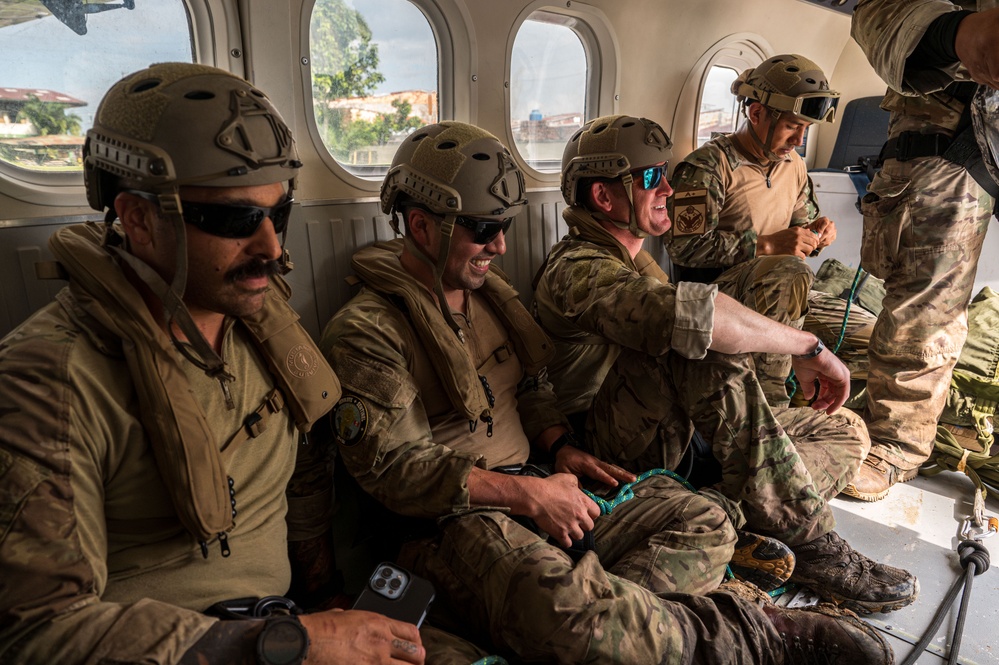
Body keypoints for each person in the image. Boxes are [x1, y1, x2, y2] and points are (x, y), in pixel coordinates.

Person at [320, 119, 896, 664]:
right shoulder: (366, 332)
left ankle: (618, 621)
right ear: (422, 226)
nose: (499, 248)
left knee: (707, 521)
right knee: (561, 606)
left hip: (542, 482)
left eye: (504, 228)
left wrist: (560, 448)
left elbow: (532, 386)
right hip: (453, 521)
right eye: (483, 229)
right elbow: (395, 470)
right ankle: (747, 638)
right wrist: (525, 498)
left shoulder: (486, 298)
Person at [0, 62, 445, 665]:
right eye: (235, 221)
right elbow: (39, 635)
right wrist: (290, 645)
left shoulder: (258, 322)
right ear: (137, 219)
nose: (272, 249)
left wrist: (321, 599)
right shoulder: (47, 381)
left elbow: (303, 473)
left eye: (278, 215)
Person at [533, 113, 919, 616]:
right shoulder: (575, 268)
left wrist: (788, 349)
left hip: (675, 427)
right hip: (608, 447)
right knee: (696, 342)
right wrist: (806, 347)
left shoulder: (635, 258)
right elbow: (695, 318)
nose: (669, 188)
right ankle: (807, 541)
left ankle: (732, 517)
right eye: (652, 178)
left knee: (845, 429)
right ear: (604, 198)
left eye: (665, 171)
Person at [848, 0, 999, 500]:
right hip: (948, 144)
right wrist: (958, 35)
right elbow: (874, 14)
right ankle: (896, 442)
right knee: (923, 306)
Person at [666, 53, 877, 408]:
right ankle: (772, 408)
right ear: (757, 114)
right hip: (722, 297)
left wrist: (818, 233)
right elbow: (684, 249)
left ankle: (810, 393)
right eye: (792, 126)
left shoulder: (792, 164)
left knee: (875, 342)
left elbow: (801, 226)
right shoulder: (708, 166)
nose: (799, 139)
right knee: (788, 270)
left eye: (806, 130)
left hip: (785, 290)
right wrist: (764, 245)